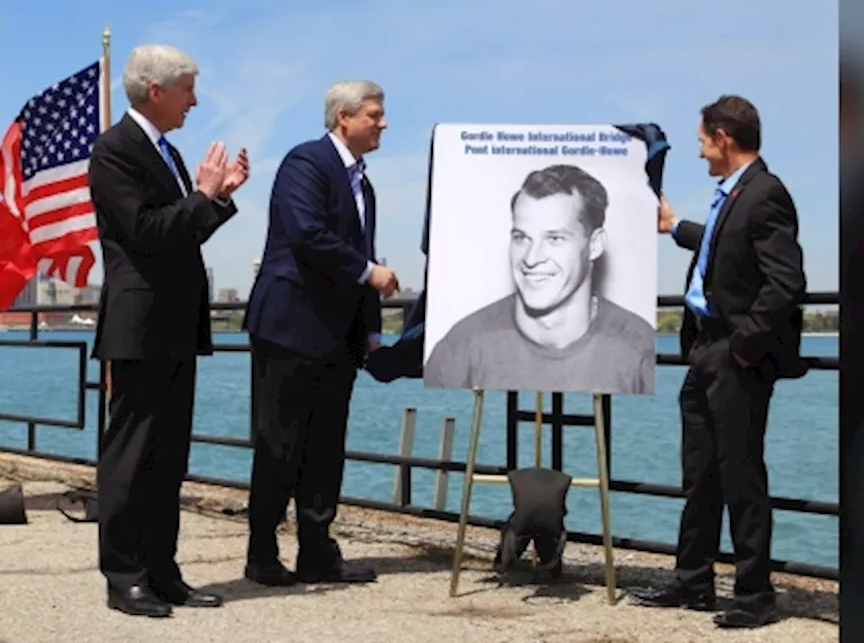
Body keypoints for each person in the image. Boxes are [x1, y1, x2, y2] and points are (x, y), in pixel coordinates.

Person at [631, 95, 806, 629]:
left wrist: (743, 345)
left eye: (704, 141)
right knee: (701, 472)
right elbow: (723, 247)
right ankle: (693, 581)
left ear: (724, 138)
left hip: (733, 355)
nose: (701, 151)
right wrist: (675, 225)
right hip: (705, 351)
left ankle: (754, 595)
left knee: (741, 475)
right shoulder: (734, 195)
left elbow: (785, 282)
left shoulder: (766, 193)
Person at [87, 43, 250, 618]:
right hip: (140, 326)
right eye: (187, 89)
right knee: (132, 457)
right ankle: (124, 576)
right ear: (156, 91)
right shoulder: (114, 151)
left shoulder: (168, 151)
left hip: (177, 325)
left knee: (168, 456)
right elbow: (147, 232)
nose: (195, 100)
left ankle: (162, 570)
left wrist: (218, 197)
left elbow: (182, 233)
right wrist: (203, 195)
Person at [241, 79, 399, 587]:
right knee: (278, 445)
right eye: (374, 115)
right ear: (343, 118)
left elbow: (364, 249)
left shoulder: (365, 184)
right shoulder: (305, 163)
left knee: (327, 448)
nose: (383, 124)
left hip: (338, 333)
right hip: (290, 327)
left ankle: (317, 552)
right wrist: (370, 273)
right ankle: (262, 555)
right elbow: (309, 234)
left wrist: (371, 328)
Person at [422, 163, 655, 395]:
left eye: (555, 238)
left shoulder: (638, 347)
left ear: (594, 245)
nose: (531, 258)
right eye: (521, 238)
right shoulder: (463, 345)